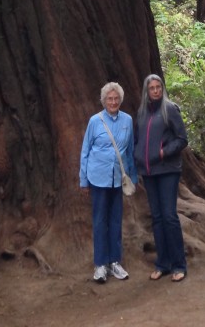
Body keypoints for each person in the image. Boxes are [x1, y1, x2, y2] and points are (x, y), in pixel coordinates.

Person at [79, 81, 137, 283]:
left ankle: (115, 262)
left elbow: (129, 151)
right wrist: (83, 180)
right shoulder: (95, 121)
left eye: (116, 98)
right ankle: (100, 265)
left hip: (117, 180)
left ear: (120, 100)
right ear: (103, 101)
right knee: (99, 221)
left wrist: (133, 177)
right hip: (97, 178)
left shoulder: (127, 120)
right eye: (109, 99)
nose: (113, 102)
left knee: (115, 220)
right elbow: (85, 151)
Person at [134, 73, 188, 283]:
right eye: (151, 88)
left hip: (167, 170)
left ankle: (179, 264)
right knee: (156, 218)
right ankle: (162, 263)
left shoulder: (170, 109)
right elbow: (138, 139)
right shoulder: (141, 113)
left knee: (169, 216)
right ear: (146, 91)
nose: (155, 91)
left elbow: (182, 139)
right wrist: (137, 157)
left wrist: (165, 152)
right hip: (149, 172)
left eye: (158, 87)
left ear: (162, 89)